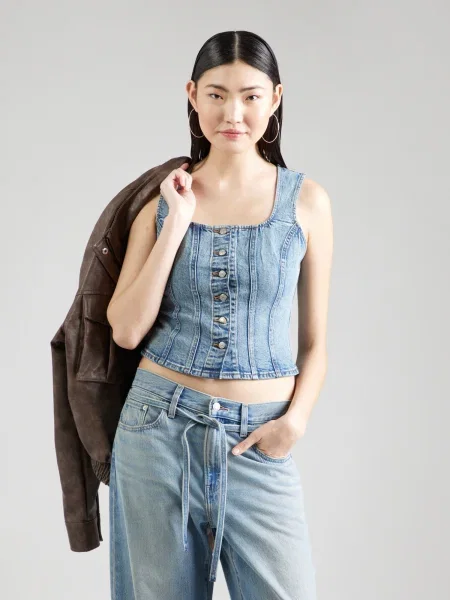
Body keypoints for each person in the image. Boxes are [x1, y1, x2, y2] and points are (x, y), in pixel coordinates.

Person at [106, 30, 333, 600]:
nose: (233, 113)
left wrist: (295, 423)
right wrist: (177, 221)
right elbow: (126, 329)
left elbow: (314, 344)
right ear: (192, 95)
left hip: (259, 438)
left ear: (275, 98)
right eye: (216, 95)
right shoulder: (162, 201)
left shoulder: (307, 202)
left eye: (251, 96)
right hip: (158, 431)